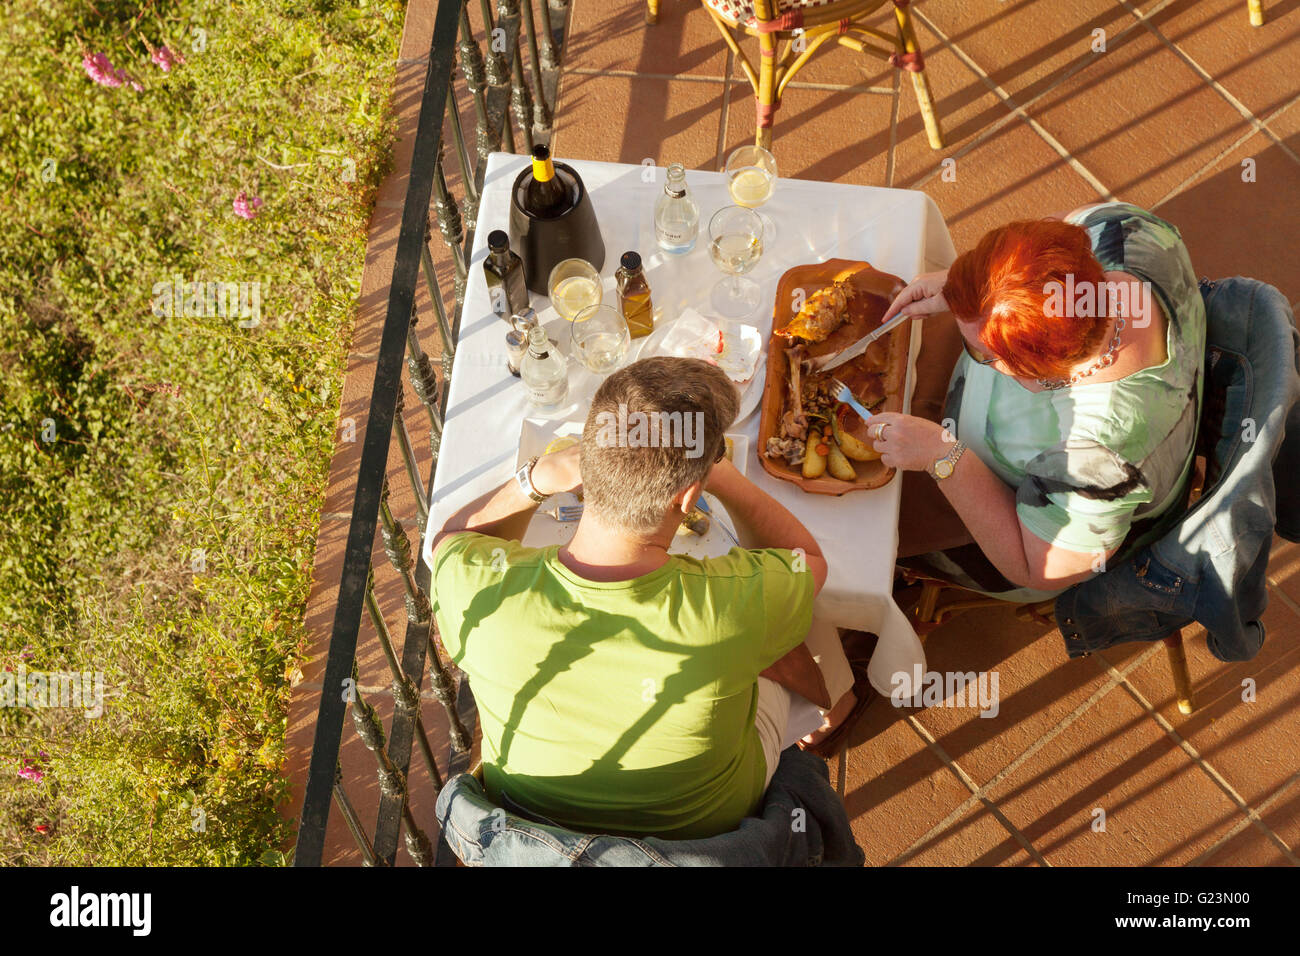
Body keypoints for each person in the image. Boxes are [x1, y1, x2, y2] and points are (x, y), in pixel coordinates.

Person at [428, 356, 856, 840]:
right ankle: (829, 715)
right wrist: (720, 475)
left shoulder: (476, 585)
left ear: (588, 462)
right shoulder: (726, 603)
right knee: (781, 629)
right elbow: (806, 563)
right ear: (688, 495)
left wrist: (537, 477)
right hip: (709, 831)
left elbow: (451, 540)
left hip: (536, 827)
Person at [864, 203, 1206, 600]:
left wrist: (944, 458)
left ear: (1040, 372)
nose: (976, 355)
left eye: (982, 355)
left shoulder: (1095, 461)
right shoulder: (1123, 233)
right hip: (979, 422)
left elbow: (1033, 567)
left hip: (1016, 526)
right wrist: (977, 292)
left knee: (853, 522)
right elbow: (1062, 229)